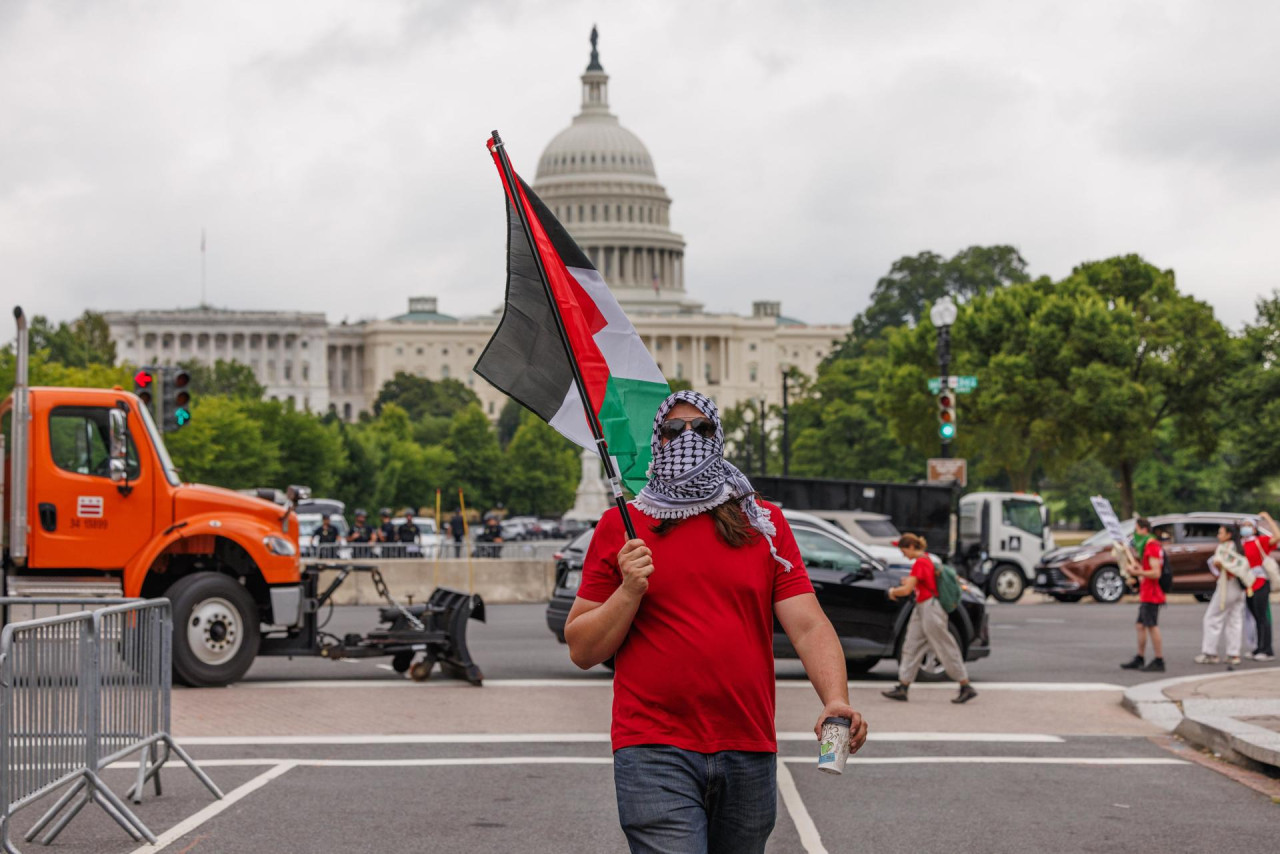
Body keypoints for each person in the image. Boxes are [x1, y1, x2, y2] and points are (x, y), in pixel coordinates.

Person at [567, 390, 868, 854]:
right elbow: (583, 650)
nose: (689, 438)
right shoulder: (622, 526)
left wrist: (835, 698)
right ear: (658, 442)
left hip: (748, 745)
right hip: (653, 748)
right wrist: (628, 590)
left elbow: (808, 624)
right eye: (674, 430)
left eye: (702, 429)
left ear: (719, 437)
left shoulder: (763, 524)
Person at [880, 533, 977, 704]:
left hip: (930, 608)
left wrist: (892, 592)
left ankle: (965, 684)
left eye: (903, 550)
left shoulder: (921, 562)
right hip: (923, 607)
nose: (903, 555)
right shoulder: (926, 561)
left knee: (944, 645)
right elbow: (919, 583)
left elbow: (906, 590)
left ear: (911, 547)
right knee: (911, 645)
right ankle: (903, 686)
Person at [1196, 524, 1251, 665]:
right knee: (1235, 619)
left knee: (1213, 618)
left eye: (1221, 533)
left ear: (1229, 534)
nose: (1218, 536)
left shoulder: (1225, 548)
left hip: (1228, 586)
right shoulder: (1239, 547)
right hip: (1240, 587)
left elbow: (1226, 568)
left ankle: (1210, 653)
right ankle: (1233, 654)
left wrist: (1219, 566)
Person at [1121, 517, 1166, 672]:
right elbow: (1147, 567)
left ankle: (1159, 660)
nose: (1135, 533)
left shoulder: (1152, 545)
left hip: (1152, 593)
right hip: (1147, 592)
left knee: (1152, 626)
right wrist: (1137, 568)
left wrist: (1137, 571)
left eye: (1136, 529)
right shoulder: (1147, 545)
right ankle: (1140, 657)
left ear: (1144, 529)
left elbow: (1156, 573)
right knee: (1140, 625)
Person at [1242, 512, 1279, 661]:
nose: (1246, 528)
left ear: (1255, 528)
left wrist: (1268, 519)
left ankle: (1267, 650)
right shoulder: (1241, 544)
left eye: (1249, 525)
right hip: (1248, 584)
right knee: (1255, 617)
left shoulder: (1260, 541)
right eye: (1244, 526)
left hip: (1261, 583)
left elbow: (1277, 537)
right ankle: (1258, 647)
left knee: (1263, 616)